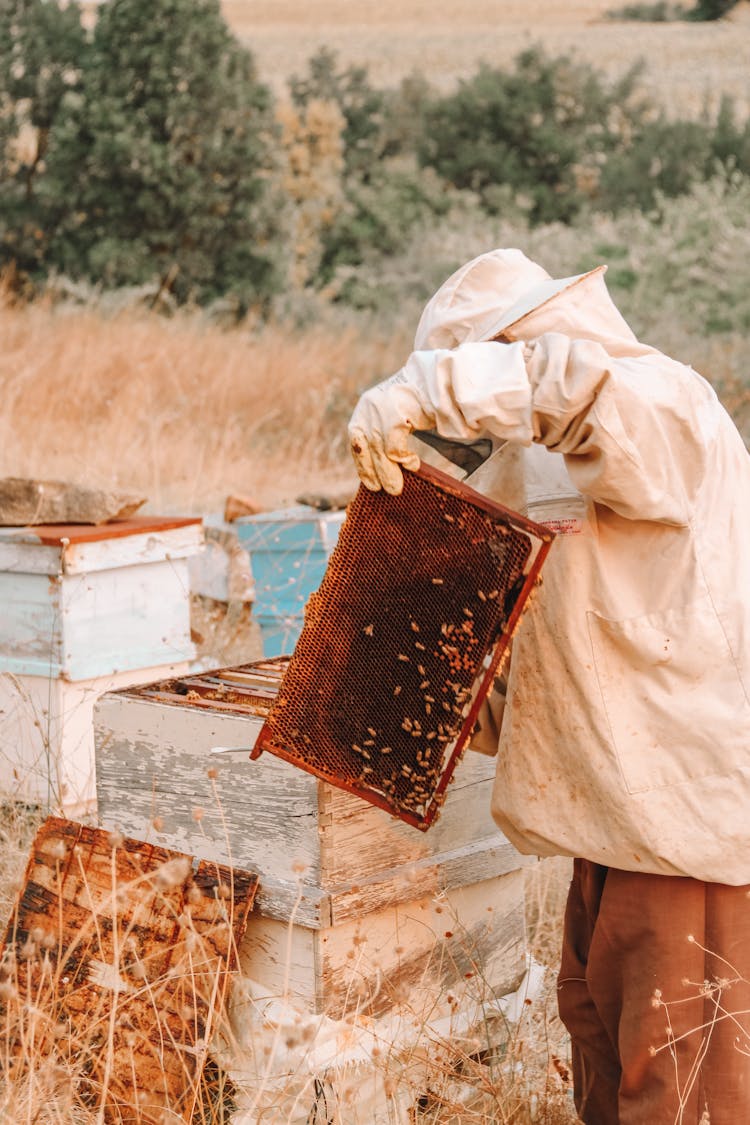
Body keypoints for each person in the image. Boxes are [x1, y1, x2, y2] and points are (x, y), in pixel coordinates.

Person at [347, 248, 750, 1125]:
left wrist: (423, 388)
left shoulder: (663, 406)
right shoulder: (553, 475)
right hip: (608, 822)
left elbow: (577, 391)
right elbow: (536, 664)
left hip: (685, 831)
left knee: (681, 1084)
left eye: (490, 368)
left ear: (520, 348)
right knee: (600, 1047)